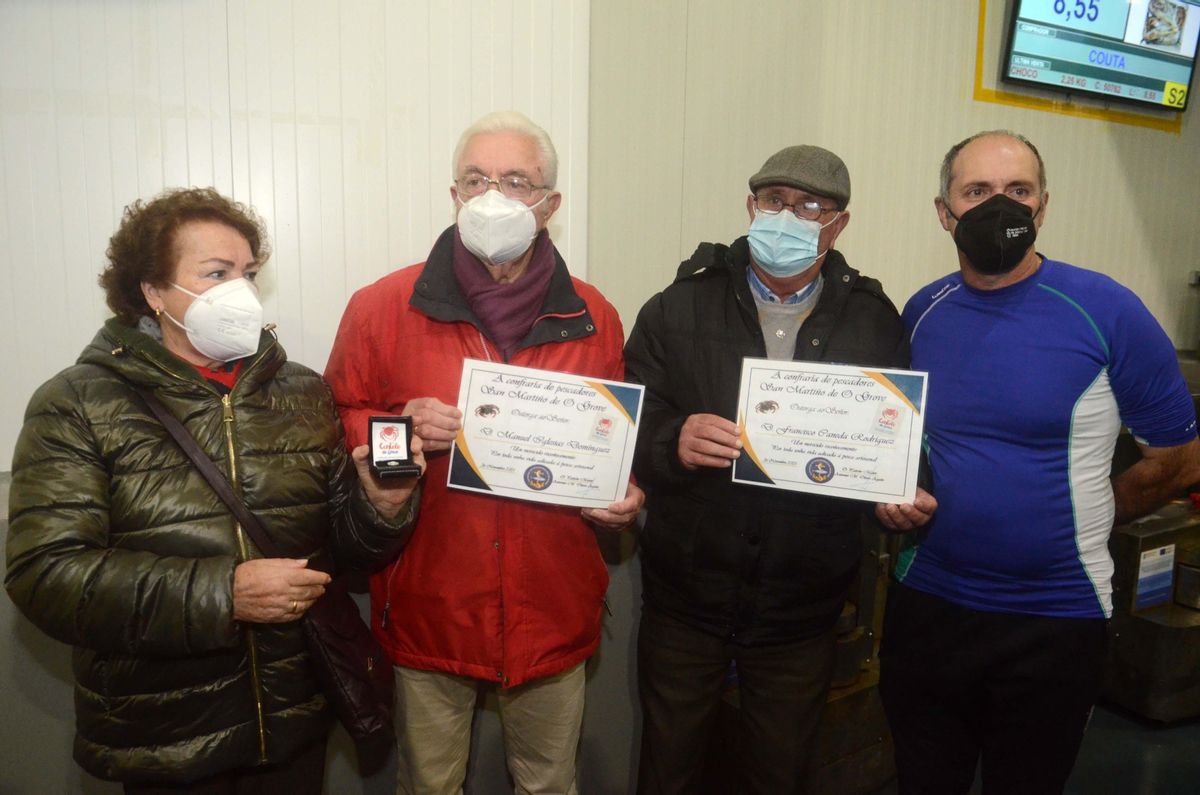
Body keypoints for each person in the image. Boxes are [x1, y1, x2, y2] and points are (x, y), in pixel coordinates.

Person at [5, 188, 423, 793]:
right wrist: (221, 593)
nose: (241, 292)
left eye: (249, 274)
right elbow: (45, 574)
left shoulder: (300, 392)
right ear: (152, 291)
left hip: (292, 721)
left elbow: (345, 553)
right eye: (216, 273)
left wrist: (380, 507)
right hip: (167, 733)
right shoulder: (76, 403)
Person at [323, 110, 643, 795]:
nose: (493, 196)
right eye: (476, 179)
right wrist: (396, 428)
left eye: (517, 180)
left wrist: (626, 493)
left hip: (552, 604)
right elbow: (337, 418)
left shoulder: (596, 314)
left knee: (549, 784)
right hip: (432, 601)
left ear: (550, 203)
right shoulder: (382, 306)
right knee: (430, 786)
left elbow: (610, 440)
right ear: (454, 196)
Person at [877, 130, 1200, 795]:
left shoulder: (1107, 311)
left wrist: (1089, 511)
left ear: (1042, 206)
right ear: (945, 211)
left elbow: (1179, 458)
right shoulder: (922, 311)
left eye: (1017, 190)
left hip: (1056, 616)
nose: (1002, 205)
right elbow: (899, 438)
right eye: (978, 191)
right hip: (927, 606)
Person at [624, 144, 930, 794]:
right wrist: (672, 440)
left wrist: (903, 494)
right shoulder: (675, 309)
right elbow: (629, 431)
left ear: (838, 224)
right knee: (667, 770)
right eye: (774, 202)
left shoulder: (875, 322)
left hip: (802, 607)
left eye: (809, 206)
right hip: (686, 599)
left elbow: (899, 442)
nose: (786, 217)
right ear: (750, 206)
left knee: (778, 774)